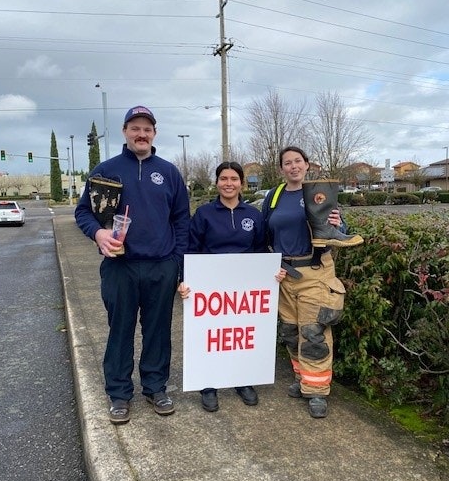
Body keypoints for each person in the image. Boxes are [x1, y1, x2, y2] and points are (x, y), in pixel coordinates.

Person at [75, 106, 190, 424]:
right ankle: (119, 394)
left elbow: (182, 220)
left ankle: (155, 387)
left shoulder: (168, 172)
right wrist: (98, 233)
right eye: (135, 128)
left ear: (154, 134)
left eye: (147, 129)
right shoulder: (106, 169)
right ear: (125, 131)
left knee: (158, 331)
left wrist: (176, 263)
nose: (142, 134)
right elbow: (83, 211)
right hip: (119, 267)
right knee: (120, 330)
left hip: (160, 267)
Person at [178, 161, 284, 412]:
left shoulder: (253, 215)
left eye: (234, 179)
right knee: (210, 336)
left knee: (240, 335)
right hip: (210, 290)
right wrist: (183, 280)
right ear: (217, 183)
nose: (228, 183)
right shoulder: (204, 214)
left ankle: (242, 380)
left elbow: (261, 250)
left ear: (242, 183)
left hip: (243, 290)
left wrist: (272, 273)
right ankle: (208, 385)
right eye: (223, 178)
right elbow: (191, 250)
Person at [262, 146, 346, 418]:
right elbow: (265, 232)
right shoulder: (273, 197)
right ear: (281, 168)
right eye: (287, 163)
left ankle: (318, 391)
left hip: (315, 271)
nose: (293, 166)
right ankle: (303, 379)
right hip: (285, 274)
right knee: (289, 331)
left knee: (313, 333)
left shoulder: (318, 192)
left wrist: (338, 223)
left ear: (307, 165)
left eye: (298, 161)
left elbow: (336, 229)